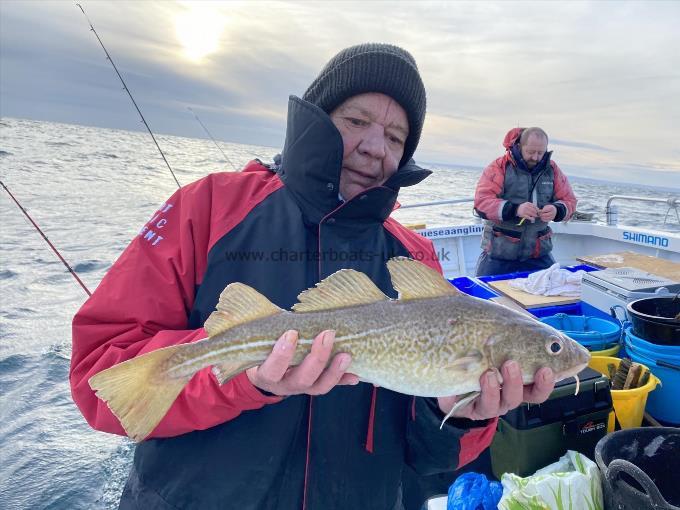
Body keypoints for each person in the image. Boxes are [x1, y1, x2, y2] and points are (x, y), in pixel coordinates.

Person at [70, 43, 556, 510]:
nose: (374, 148)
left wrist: (455, 418)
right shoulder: (208, 207)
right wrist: (244, 376)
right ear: (316, 121)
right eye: (356, 121)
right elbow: (101, 383)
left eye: (395, 137)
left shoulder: (413, 257)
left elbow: (426, 458)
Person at [474, 127, 577, 277]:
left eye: (540, 153)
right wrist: (515, 209)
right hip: (498, 256)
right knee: (484, 297)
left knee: (554, 290)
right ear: (519, 146)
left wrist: (557, 210)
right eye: (530, 152)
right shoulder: (499, 167)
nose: (535, 157)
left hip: (539, 255)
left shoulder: (553, 170)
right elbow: (481, 203)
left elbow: (570, 202)